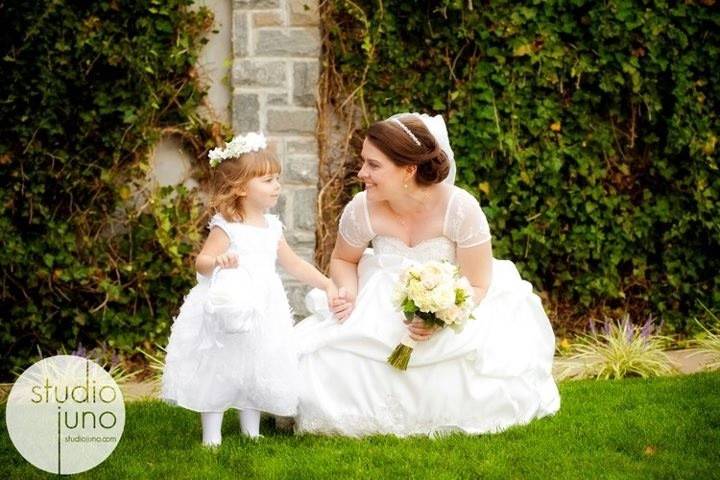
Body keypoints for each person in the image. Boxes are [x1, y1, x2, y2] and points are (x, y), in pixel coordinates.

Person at [295, 114, 560, 436]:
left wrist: (442, 315)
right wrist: (347, 291)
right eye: (363, 162)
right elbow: (343, 259)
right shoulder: (360, 208)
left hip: (452, 298)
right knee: (331, 360)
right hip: (379, 299)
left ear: (409, 169)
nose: (362, 173)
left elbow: (478, 282)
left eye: (373, 165)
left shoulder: (460, 208)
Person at [161, 132, 338, 445]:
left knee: (256, 363)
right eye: (268, 180)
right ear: (241, 187)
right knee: (221, 365)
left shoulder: (272, 226)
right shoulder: (226, 226)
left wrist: (326, 282)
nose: (277, 186)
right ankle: (212, 435)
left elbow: (294, 264)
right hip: (230, 304)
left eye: (277, 179)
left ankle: (251, 432)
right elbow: (201, 262)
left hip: (264, 307)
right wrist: (218, 260)